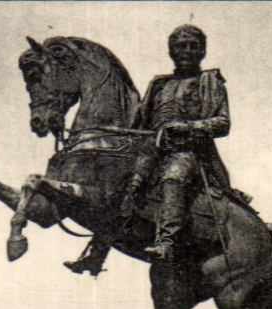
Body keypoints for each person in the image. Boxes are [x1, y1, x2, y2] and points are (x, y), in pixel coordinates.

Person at [65, 23, 234, 274]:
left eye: (193, 46)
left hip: (187, 151)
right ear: (172, 51)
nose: (187, 51)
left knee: (173, 177)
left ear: (202, 51)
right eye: (181, 46)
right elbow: (141, 121)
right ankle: (96, 254)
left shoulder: (209, 82)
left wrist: (187, 127)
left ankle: (166, 242)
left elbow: (222, 122)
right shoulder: (159, 84)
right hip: (152, 149)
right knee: (122, 183)